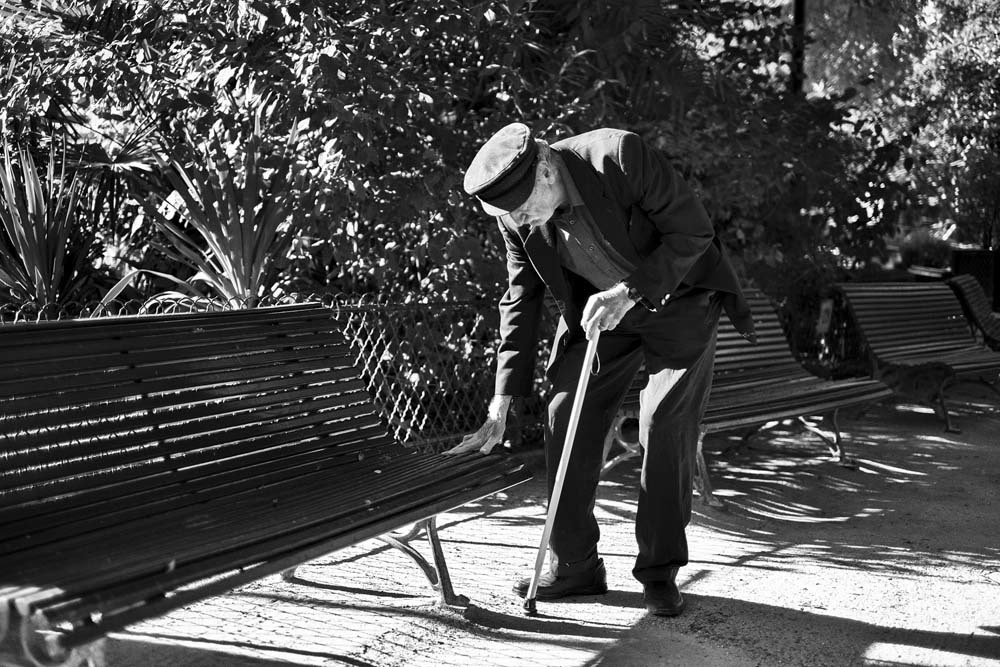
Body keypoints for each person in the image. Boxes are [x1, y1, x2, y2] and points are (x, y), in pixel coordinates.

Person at [444, 123, 755, 616]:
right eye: (511, 216)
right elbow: (520, 298)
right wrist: (501, 399)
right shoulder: (514, 215)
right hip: (600, 315)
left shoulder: (618, 156)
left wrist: (628, 292)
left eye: (524, 209)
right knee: (564, 413)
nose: (520, 221)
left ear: (546, 170)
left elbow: (692, 231)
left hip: (676, 301)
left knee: (663, 424)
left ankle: (659, 573)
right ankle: (575, 567)